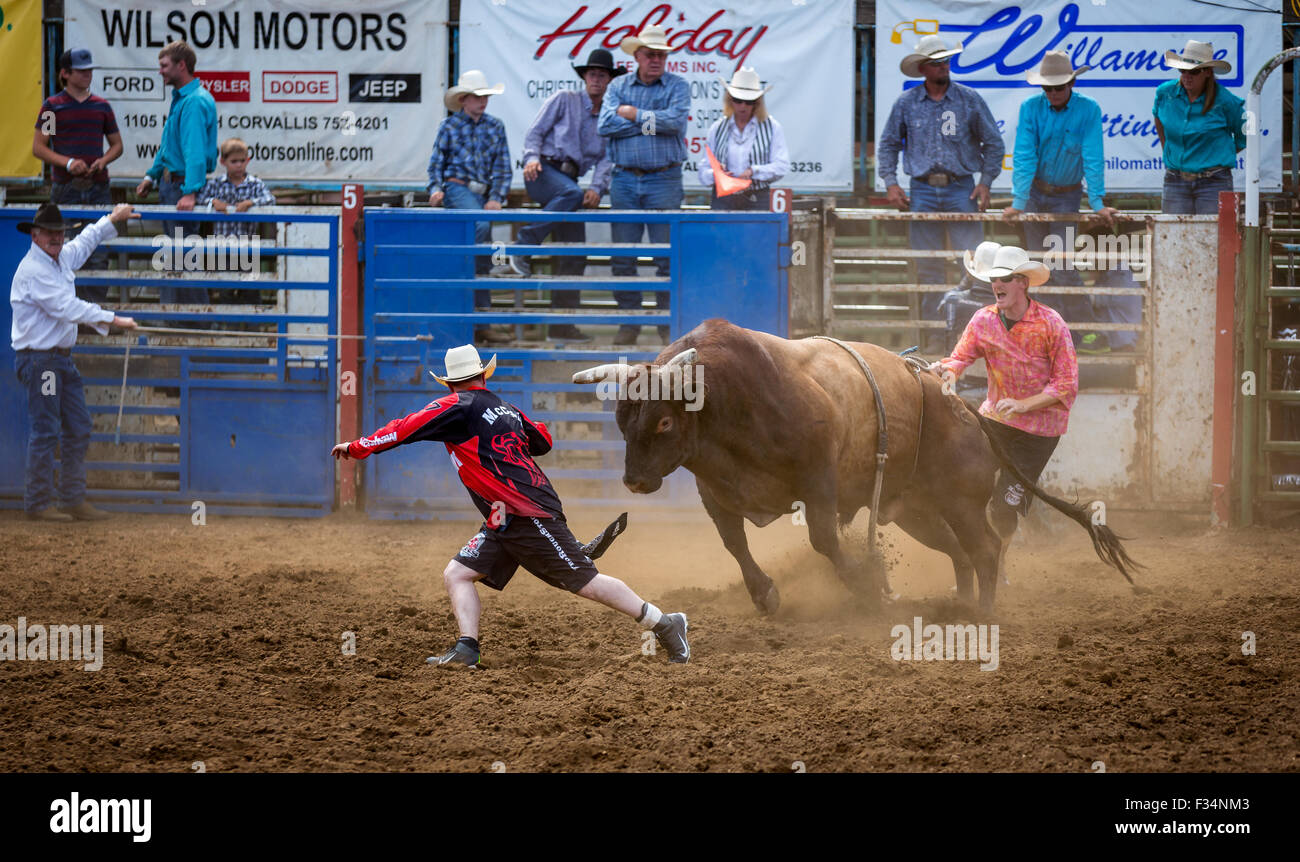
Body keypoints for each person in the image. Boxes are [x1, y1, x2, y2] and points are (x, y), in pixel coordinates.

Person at [330, 344, 691, 666]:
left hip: (524, 513)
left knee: (585, 583)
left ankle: (664, 622)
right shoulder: (505, 408)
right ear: (481, 375)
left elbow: (406, 427)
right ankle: (467, 648)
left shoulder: (455, 406)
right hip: (505, 515)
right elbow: (543, 440)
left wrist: (358, 447)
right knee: (458, 574)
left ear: (449, 383)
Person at [931, 242, 1078, 567]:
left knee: (1002, 506)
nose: (997, 283)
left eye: (1006, 277)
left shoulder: (1050, 324)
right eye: (995, 278)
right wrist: (947, 370)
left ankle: (993, 567)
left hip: (1038, 433)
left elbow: (1066, 384)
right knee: (964, 482)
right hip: (997, 421)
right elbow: (960, 358)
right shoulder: (984, 321)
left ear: (1023, 283)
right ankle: (982, 552)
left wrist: (1025, 405)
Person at [11, 202, 139, 522]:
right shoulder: (35, 271)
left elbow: (85, 242)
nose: (56, 238)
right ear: (36, 235)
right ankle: (40, 503)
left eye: (59, 233)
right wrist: (114, 319)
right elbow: (67, 308)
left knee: (76, 426)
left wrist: (111, 219)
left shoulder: (58, 259)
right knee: (47, 429)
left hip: (56, 361)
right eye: (50, 233)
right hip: (43, 362)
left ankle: (70, 498)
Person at [496, 49, 622, 343]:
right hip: (542, 173)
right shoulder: (564, 99)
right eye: (592, 74)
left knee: (575, 252)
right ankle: (524, 243)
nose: (596, 79)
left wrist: (597, 187)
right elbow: (534, 133)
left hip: (570, 184)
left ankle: (560, 323)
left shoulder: (607, 117)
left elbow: (607, 158)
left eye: (602, 75)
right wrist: (530, 158)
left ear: (609, 81)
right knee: (569, 193)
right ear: (584, 77)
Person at [878, 35, 1003, 325]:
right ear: (923, 68)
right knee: (927, 264)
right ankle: (934, 332)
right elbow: (888, 144)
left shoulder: (968, 99)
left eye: (945, 61)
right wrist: (890, 182)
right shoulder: (907, 103)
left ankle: (970, 331)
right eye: (936, 63)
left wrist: (985, 181)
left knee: (974, 264)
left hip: (961, 186)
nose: (943, 67)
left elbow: (993, 143)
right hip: (922, 187)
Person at [1003, 51, 1120, 351]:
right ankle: (1048, 334)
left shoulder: (1088, 110)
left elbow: (1093, 156)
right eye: (1048, 88)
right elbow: (1025, 154)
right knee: (1036, 268)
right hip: (1035, 194)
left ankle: (1080, 332)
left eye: (1058, 87)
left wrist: (1096, 202)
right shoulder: (1031, 108)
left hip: (1067, 195)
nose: (1053, 93)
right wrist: (1019, 200)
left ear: (1071, 82)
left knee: (1061, 265)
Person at [598, 24, 691, 346]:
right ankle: (631, 320)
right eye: (650, 54)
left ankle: (667, 321)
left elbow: (676, 123)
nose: (656, 59)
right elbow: (605, 125)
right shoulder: (619, 84)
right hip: (624, 177)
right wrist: (651, 122)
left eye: (661, 55)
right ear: (637, 55)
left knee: (667, 255)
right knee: (624, 255)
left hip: (663, 177)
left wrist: (633, 114)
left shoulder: (677, 86)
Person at [31, 49, 123, 304]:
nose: (87, 74)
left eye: (89, 70)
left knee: (98, 251)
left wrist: (102, 161)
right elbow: (39, 146)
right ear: (65, 73)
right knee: (62, 246)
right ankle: (68, 309)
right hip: (66, 186)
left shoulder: (101, 106)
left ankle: (92, 312)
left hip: (97, 185)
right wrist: (68, 162)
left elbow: (117, 145)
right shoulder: (52, 106)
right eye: (81, 70)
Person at [428, 70, 512, 346]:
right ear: (464, 99)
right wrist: (436, 189)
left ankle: (474, 319)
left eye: (485, 96)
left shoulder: (496, 126)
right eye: (478, 97)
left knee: (480, 242)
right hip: (457, 187)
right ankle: (477, 317)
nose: (483, 101)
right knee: (481, 229)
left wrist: (496, 197)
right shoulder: (448, 126)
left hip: (480, 193)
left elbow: (502, 168)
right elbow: (436, 165)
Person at [134, 41, 217, 304]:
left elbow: (194, 151)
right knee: (179, 253)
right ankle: (180, 320)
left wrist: (190, 192)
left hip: (180, 188)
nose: (160, 71)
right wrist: (152, 175)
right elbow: (170, 145)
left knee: (183, 254)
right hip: (175, 185)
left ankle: (191, 321)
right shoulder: (186, 98)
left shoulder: (191, 101)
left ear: (182, 65)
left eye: (164, 65)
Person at [1153, 40, 1245, 215]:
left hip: (1214, 180)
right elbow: (1158, 117)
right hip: (1176, 178)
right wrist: (1167, 149)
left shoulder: (1226, 101)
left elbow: (1245, 134)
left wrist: (1218, 154)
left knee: (1212, 238)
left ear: (1208, 72)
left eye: (1193, 71)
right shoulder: (1165, 93)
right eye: (1183, 70)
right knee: (1174, 237)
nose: (1187, 76)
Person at [197, 137, 276, 303]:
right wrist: (213, 202)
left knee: (251, 291)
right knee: (225, 290)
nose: (239, 165)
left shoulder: (255, 184)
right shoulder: (216, 184)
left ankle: (252, 327)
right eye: (234, 161)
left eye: (242, 161)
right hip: (222, 246)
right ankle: (227, 326)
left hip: (247, 246)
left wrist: (250, 203)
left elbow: (270, 199)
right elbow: (201, 198)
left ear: (247, 161)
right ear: (223, 161)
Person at [697, 67, 789, 211]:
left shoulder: (772, 127)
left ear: (757, 103)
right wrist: (717, 174)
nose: (742, 106)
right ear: (730, 100)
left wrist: (754, 171)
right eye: (738, 100)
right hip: (724, 198)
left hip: (757, 197)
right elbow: (703, 171)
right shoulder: (717, 128)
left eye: (749, 102)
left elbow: (782, 166)